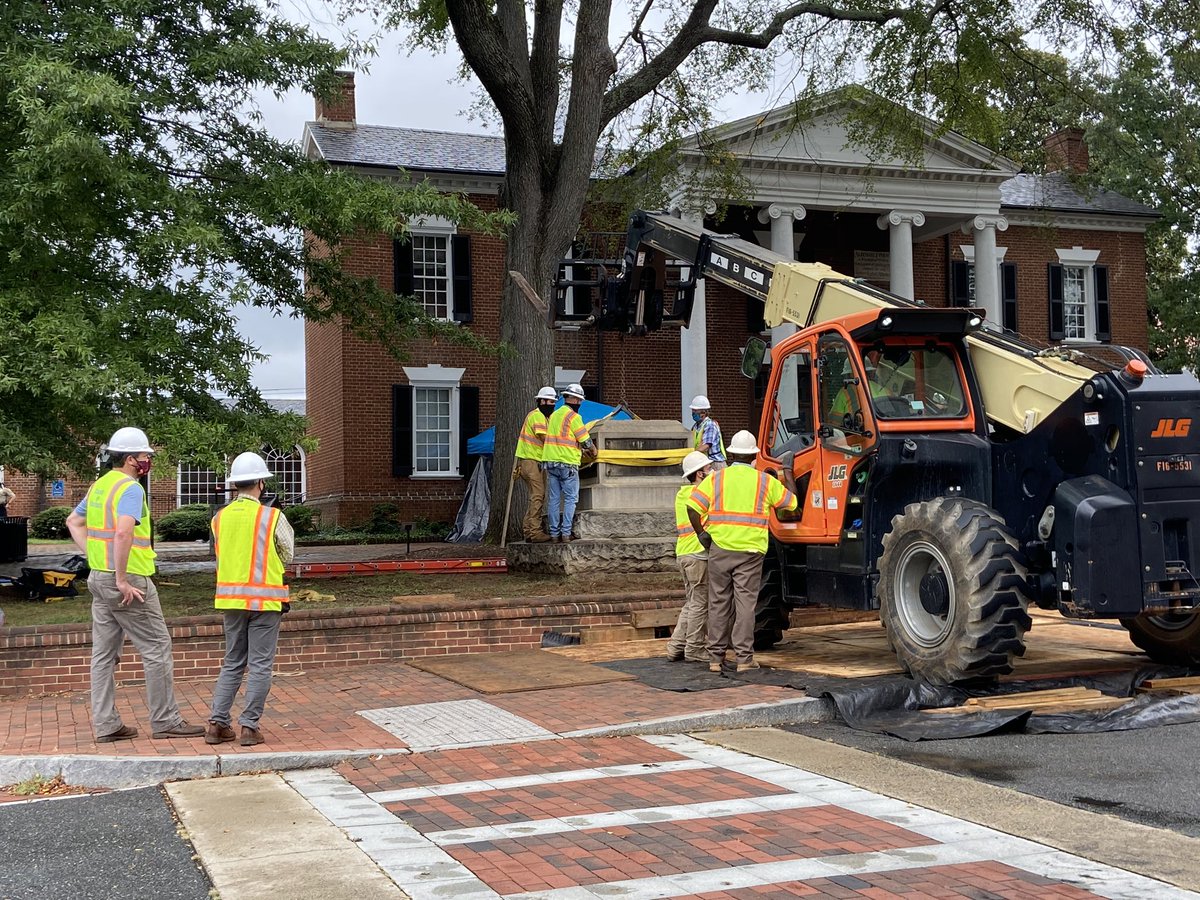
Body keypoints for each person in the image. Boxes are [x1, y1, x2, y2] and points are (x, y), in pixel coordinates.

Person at [65, 427, 205, 743]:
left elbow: (74, 522)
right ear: (130, 459)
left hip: (99, 579)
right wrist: (121, 579)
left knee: (103, 655)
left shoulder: (99, 486)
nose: (147, 460)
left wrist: (95, 557)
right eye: (144, 456)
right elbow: (124, 533)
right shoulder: (131, 489)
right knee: (157, 647)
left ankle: (106, 725)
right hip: (128, 582)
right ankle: (166, 721)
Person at [687, 430, 798, 673]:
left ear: (731, 453)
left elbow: (693, 507)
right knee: (745, 605)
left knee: (718, 603)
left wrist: (702, 534)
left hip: (720, 549)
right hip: (750, 552)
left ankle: (715, 658)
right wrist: (787, 471)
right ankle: (744, 659)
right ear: (754, 457)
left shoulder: (716, 479)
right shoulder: (764, 481)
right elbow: (791, 504)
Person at [204, 452, 295, 747]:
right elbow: (288, 554)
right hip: (265, 602)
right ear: (260, 483)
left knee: (232, 661)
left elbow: (220, 557)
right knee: (259, 665)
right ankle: (249, 727)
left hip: (230, 601)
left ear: (235, 484)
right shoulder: (272, 516)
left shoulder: (219, 518)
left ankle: (217, 724)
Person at [666, 451, 713, 663]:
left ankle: (675, 646)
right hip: (697, 556)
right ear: (700, 474)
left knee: (692, 602)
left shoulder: (682, 494)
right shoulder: (699, 495)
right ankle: (694, 649)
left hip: (684, 554)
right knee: (700, 604)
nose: (712, 472)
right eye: (708, 469)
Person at [541, 383, 595, 542]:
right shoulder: (574, 417)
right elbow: (585, 440)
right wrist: (593, 450)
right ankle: (565, 533)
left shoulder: (554, 415)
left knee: (554, 500)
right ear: (576, 400)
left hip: (551, 463)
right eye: (579, 401)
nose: (580, 404)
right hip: (567, 464)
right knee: (571, 499)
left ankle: (553, 534)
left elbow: (562, 439)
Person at [515, 387, 556, 543]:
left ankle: (528, 531)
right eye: (550, 401)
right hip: (531, 461)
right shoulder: (537, 416)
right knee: (538, 496)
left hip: (532, 461)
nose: (552, 405)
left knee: (535, 496)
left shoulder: (544, 417)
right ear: (541, 401)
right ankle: (535, 532)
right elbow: (545, 437)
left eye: (553, 402)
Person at [689, 395, 726, 468]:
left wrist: (691, 456)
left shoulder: (710, 425)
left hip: (715, 463)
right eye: (693, 410)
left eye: (695, 411)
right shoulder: (695, 426)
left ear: (704, 412)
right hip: (705, 461)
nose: (693, 413)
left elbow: (706, 446)